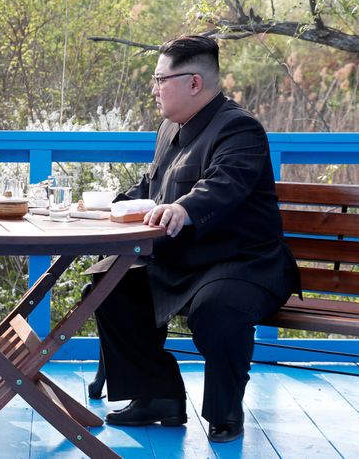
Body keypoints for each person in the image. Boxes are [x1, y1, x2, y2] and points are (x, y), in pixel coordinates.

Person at [95, 35, 300, 442]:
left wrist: (183, 208)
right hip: (182, 260)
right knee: (108, 284)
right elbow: (151, 186)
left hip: (244, 263)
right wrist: (106, 206)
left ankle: (225, 413)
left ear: (193, 83)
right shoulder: (170, 127)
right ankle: (157, 395)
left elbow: (224, 183)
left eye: (160, 79)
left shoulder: (240, 128)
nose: (154, 89)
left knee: (217, 308)